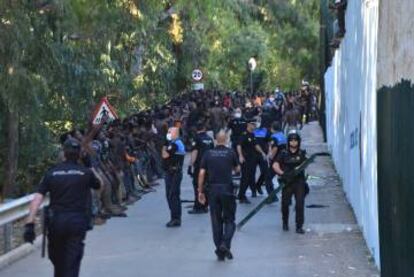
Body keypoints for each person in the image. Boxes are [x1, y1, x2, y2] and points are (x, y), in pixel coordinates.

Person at [23, 138, 100, 277]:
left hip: (56, 223)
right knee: (71, 263)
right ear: (79, 155)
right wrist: (90, 166)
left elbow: (38, 198)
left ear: (63, 153)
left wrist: (30, 223)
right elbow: (100, 185)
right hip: (77, 222)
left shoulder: (52, 173)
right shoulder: (85, 173)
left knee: (57, 261)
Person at [198, 130, 240, 261]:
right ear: (226, 140)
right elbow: (237, 169)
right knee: (230, 220)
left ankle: (220, 250)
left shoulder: (208, 153)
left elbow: (201, 174)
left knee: (216, 221)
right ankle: (224, 244)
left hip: (213, 190)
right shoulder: (231, 152)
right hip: (227, 189)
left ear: (216, 140)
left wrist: (200, 191)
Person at [272, 130, 308, 234]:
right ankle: (285, 223)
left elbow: (306, 163)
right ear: (288, 142)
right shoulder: (283, 153)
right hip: (287, 182)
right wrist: (282, 173)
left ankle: (299, 226)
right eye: (291, 140)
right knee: (285, 204)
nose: (293, 142)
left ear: (298, 142)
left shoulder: (302, 153)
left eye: (295, 140)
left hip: (299, 182)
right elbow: (275, 165)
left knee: (300, 204)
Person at [188, 122, 214, 214]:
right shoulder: (210, 139)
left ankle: (199, 207)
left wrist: (190, 165)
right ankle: (205, 205)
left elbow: (194, 152)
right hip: (209, 166)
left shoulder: (197, 138)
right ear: (204, 129)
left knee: (198, 186)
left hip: (199, 166)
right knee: (206, 185)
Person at [237, 119, 265, 204]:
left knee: (250, 176)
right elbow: (239, 145)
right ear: (248, 124)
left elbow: (255, 145)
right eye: (253, 124)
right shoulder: (244, 134)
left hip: (252, 159)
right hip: (246, 159)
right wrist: (240, 156)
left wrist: (262, 153)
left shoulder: (252, 135)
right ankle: (241, 196)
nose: (254, 126)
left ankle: (244, 194)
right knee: (245, 178)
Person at [161, 127, 186, 227]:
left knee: (173, 196)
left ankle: (175, 218)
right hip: (171, 172)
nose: (168, 133)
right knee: (171, 195)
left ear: (176, 133)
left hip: (174, 173)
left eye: (170, 132)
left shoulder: (175, 144)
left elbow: (165, 155)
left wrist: (163, 147)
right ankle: (174, 217)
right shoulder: (173, 143)